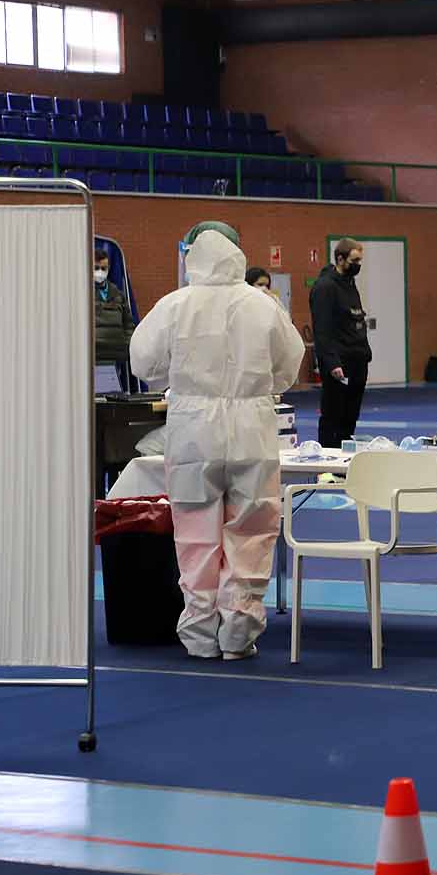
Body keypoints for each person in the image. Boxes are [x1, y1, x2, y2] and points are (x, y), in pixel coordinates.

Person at [130, 221, 305, 660]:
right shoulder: (262, 306)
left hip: (192, 431)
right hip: (251, 426)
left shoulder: (174, 305)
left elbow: (142, 363)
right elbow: (289, 365)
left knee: (194, 533)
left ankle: (199, 633)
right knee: (251, 528)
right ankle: (238, 632)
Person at [309, 238, 372, 449]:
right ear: (340, 258)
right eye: (354, 260)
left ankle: (343, 464)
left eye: (360, 260)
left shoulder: (350, 284)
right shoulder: (325, 287)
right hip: (339, 365)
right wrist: (332, 362)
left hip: (358, 360)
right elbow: (322, 330)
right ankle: (328, 464)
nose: (358, 265)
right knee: (332, 417)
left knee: (350, 418)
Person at [93, 247, 136, 393]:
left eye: (103, 268)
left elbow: (129, 324)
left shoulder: (117, 293)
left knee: (113, 397)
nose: (100, 271)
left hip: (115, 357)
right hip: (93, 358)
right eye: (96, 267)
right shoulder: (81, 292)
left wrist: (126, 345)